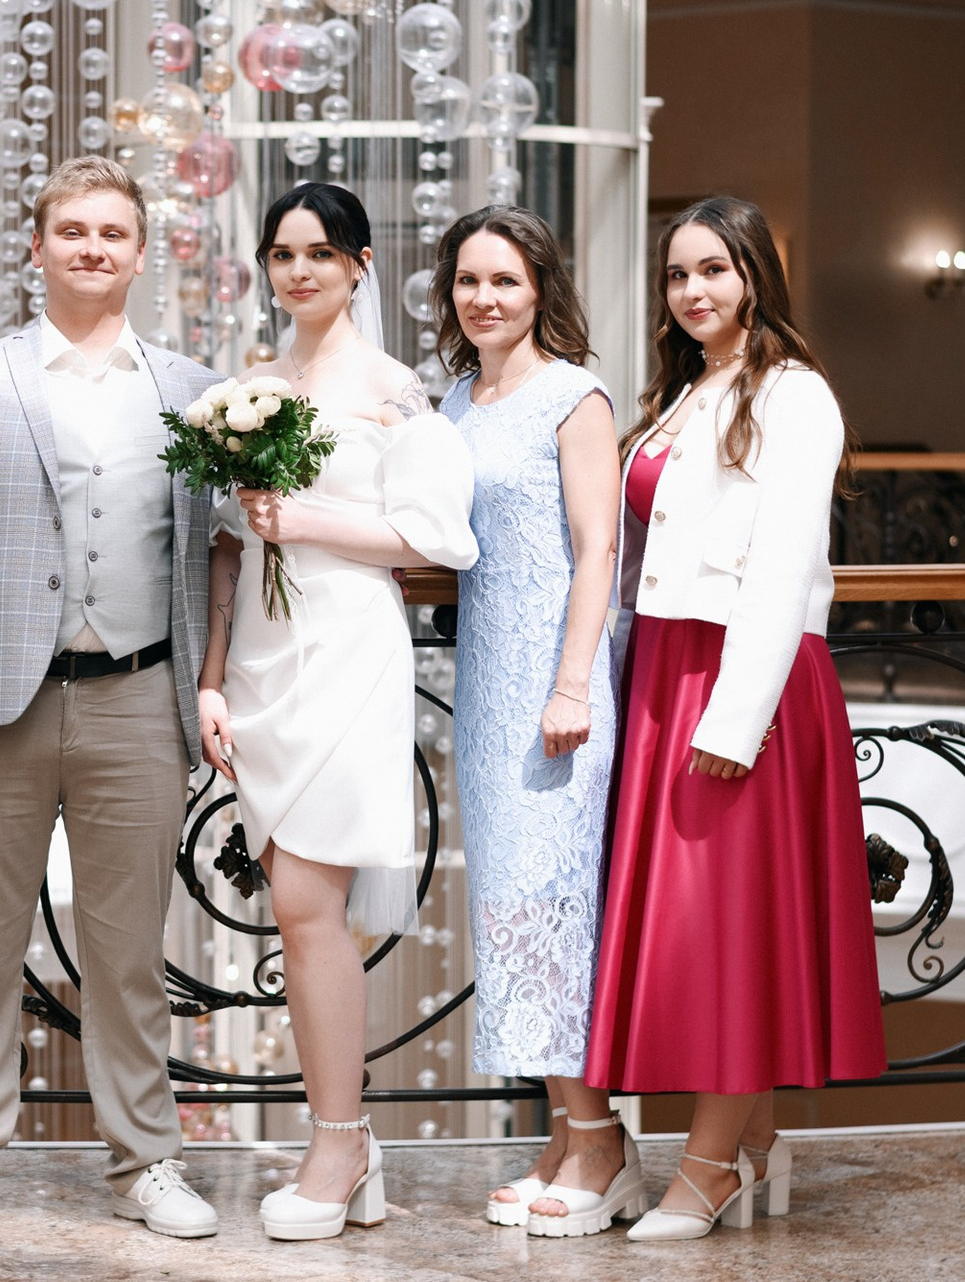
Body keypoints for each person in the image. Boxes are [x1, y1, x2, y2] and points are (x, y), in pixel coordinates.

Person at [0, 155, 222, 1247]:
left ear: (140, 253)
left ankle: (146, 1160)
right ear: (35, 249)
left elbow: (212, 556)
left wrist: (210, 685)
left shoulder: (191, 388)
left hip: (140, 697)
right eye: (72, 230)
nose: (92, 248)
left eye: (112, 233)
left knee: (129, 956)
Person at [585, 195, 888, 1241]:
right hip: (665, 669)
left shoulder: (795, 393)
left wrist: (734, 718)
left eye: (713, 268)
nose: (693, 290)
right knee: (710, 922)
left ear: (756, 272)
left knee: (726, 927)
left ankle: (708, 1168)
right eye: (678, 274)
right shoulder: (683, 390)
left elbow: (784, 564)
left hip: (739, 681)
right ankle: (754, 1147)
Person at [197, 183, 478, 1243]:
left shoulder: (399, 392)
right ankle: (343, 1139)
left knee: (309, 903)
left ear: (360, 265)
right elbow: (230, 550)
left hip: (351, 648)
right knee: (291, 902)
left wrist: (306, 518)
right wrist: (212, 677)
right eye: (282, 254)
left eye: (320, 252)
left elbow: (437, 537)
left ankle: (339, 1140)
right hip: (262, 659)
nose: (299, 271)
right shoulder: (250, 389)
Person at [433, 206, 636, 1237]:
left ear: (541, 288)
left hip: (557, 686)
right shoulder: (455, 398)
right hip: (485, 686)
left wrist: (572, 685)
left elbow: (600, 549)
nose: (485, 298)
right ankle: (566, 1131)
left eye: (504, 280)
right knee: (514, 908)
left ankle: (602, 1141)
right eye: (469, 280)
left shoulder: (574, 396)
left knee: (555, 903)